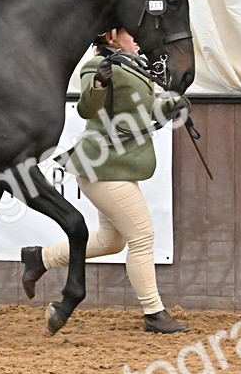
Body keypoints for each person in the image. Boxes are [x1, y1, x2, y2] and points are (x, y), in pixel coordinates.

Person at [20, 27, 190, 333]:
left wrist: (171, 105)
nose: (139, 37)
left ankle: (39, 258)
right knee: (142, 237)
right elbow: (87, 108)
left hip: (119, 166)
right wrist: (98, 82)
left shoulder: (134, 65)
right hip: (103, 166)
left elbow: (144, 109)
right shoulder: (94, 66)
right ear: (111, 37)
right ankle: (154, 312)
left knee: (110, 241)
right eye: (131, 33)